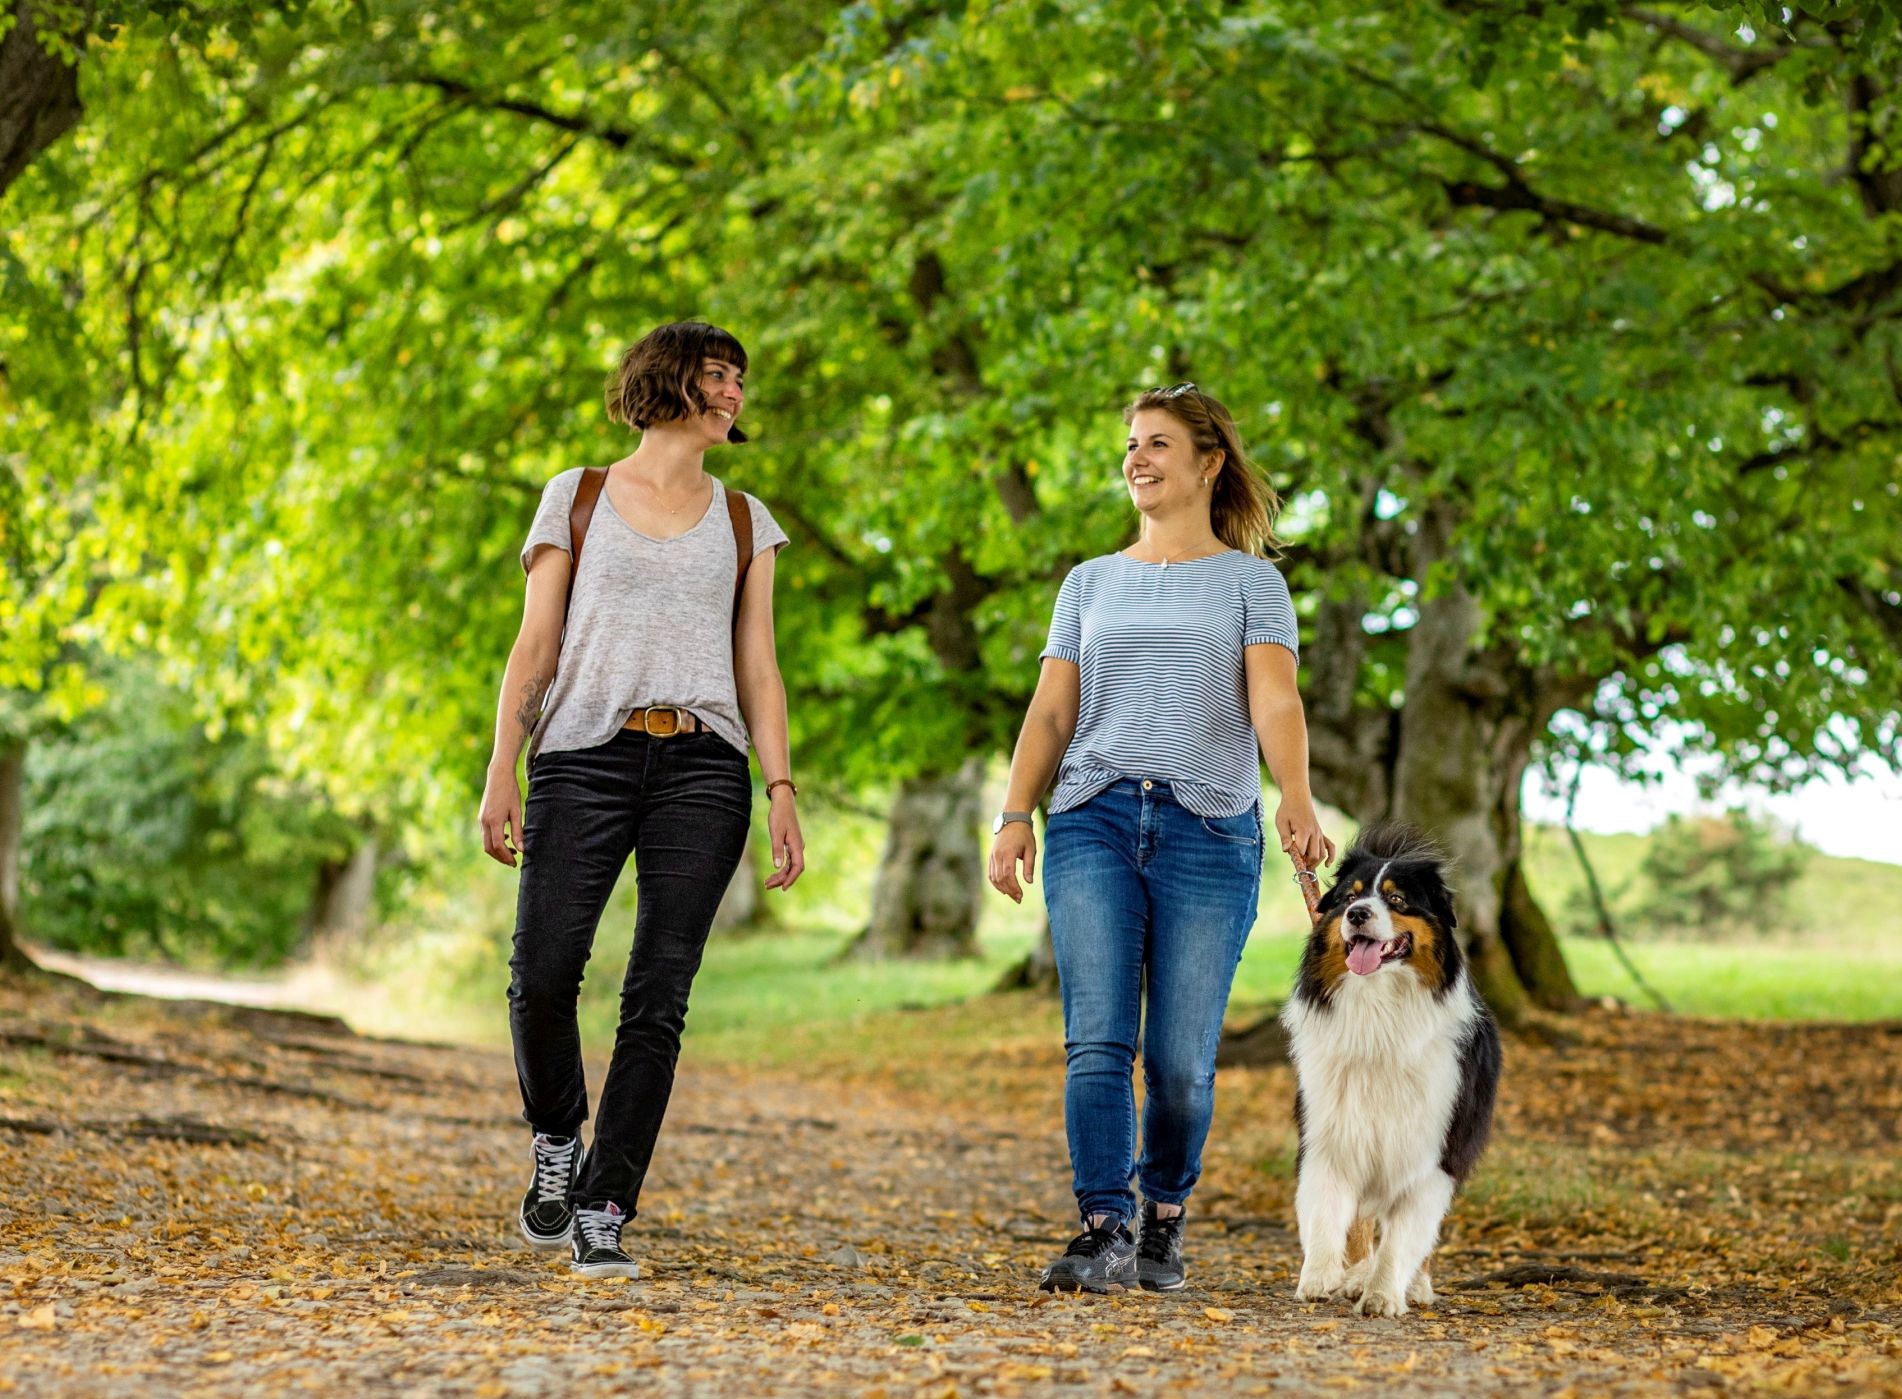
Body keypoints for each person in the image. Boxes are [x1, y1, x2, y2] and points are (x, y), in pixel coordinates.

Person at [988, 382, 1334, 1293]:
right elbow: (1052, 707)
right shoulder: (1088, 582)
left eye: (1157, 444)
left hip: (1209, 829)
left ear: (1209, 462)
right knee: (1097, 1039)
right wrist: (1015, 812)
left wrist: (1294, 795)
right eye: (1131, 445)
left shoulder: (1253, 583)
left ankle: (1165, 1213)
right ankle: (1103, 1221)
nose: (1136, 459)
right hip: (1093, 816)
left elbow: (1275, 698)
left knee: (1180, 1061)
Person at [478, 321, 804, 1278]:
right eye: (718, 375)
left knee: (658, 993)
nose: (734, 393)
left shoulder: (746, 520)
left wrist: (780, 786)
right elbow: (534, 646)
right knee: (542, 972)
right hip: (581, 756)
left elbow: (760, 665)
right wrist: (504, 763)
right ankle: (557, 1137)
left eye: (740, 379)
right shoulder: (576, 498)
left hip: (706, 768)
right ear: (668, 380)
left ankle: (605, 1203)